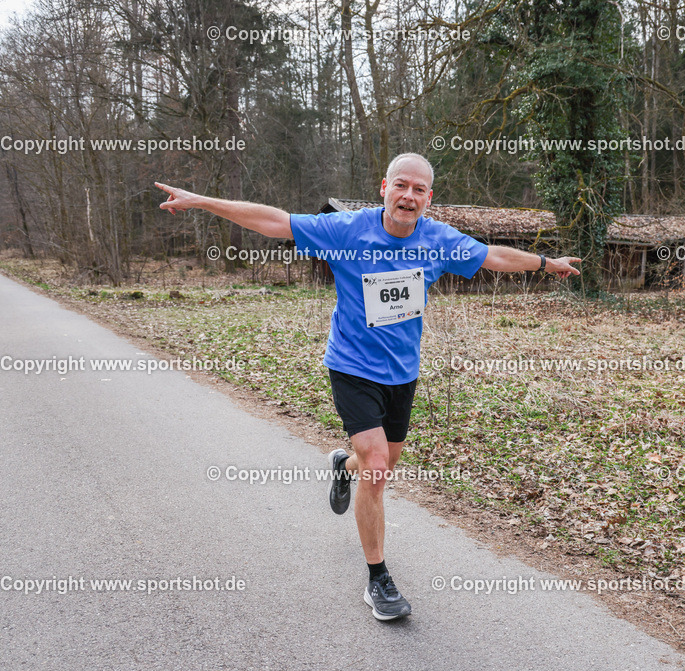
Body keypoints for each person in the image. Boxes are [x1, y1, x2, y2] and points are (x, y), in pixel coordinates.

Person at [156, 153, 580, 620]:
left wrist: (546, 262)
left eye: (419, 190)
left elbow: (493, 256)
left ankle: (344, 464)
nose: (409, 196)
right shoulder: (347, 230)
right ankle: (378, 579)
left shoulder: (438, 240)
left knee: (382, 461)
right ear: (384, 188)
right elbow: (274, 222)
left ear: (429, 199)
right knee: (378, 467)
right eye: (402, 186)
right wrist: (203, 202)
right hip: (352, 367)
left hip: (402, 373)